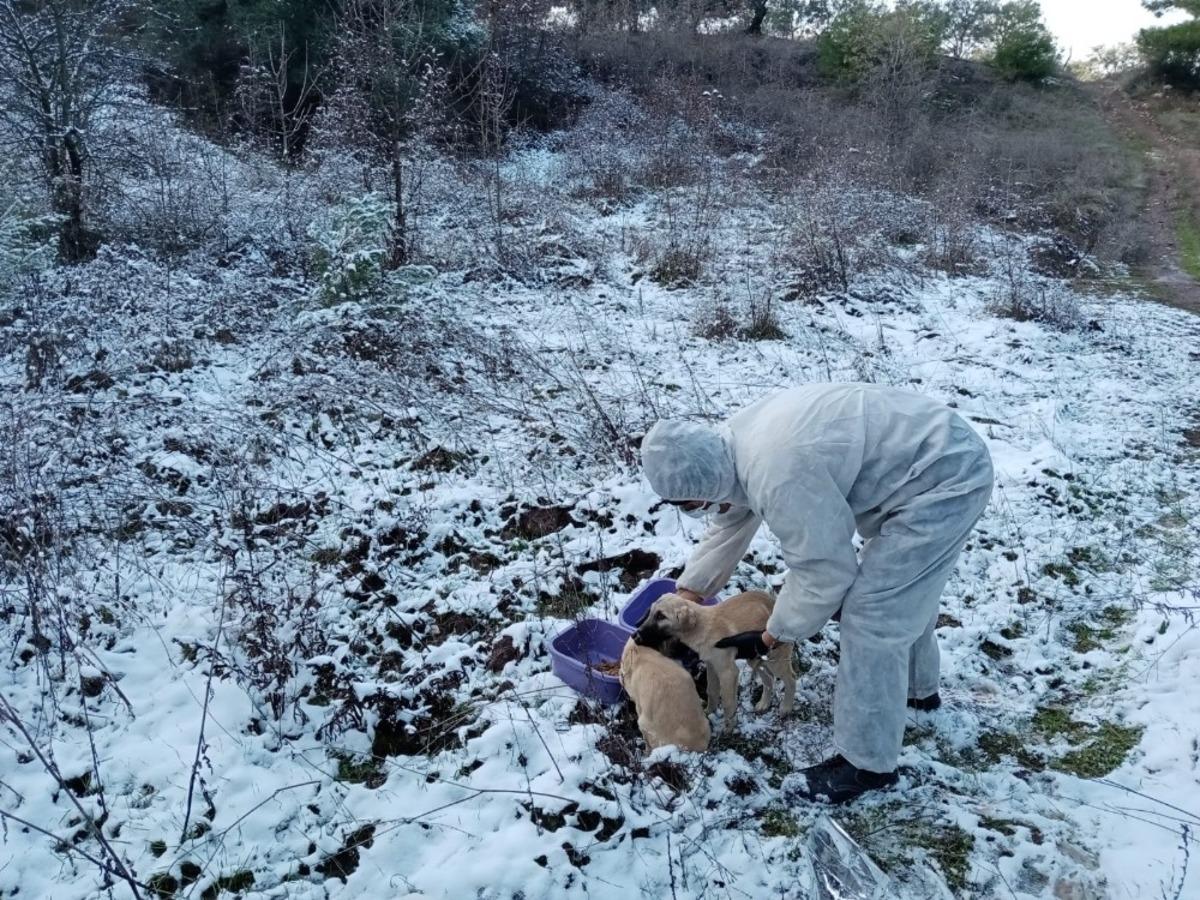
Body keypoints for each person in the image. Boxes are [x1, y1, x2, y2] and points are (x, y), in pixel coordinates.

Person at [640, 383, 994, 803]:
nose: (699, 511)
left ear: (704, 483)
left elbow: (825, 571)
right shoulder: (730, 444)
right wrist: (690, 591)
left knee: (872, 612)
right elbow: (732, 515)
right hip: (927, 453)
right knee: (903, 592)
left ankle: (866, 766)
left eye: (691, 505)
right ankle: (917, 693)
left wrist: (774, 634)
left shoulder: (778, 472)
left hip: (942, 478)